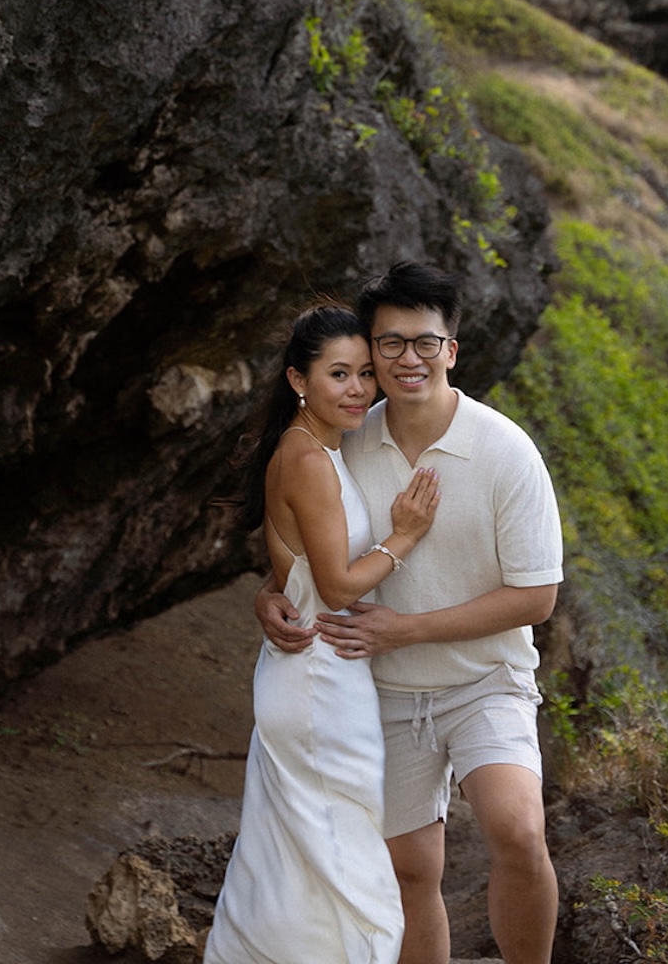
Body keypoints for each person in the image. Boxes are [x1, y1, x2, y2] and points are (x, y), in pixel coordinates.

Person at [257, 262, 563, 964]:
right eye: (389, 344)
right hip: (379, 694)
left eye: (425, 342)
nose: (407, 359)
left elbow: (537, 597)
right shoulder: (344, 438)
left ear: (451, 350)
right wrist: (269, 597)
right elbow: (302, 543)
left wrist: (408, 628)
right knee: (409, 872)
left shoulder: (505, 451)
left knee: (517, 830)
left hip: (486, 680)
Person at [205, 302, 441, 964]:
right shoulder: (307, 458)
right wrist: (405, 536)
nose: (359, 389)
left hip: (320, 673)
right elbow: (335, 585)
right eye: (339, 374)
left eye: (367, 373)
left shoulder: (323, 450)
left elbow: (297, 571)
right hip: (318, 679)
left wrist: (271, 592)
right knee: (344, 867)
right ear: (297, 380)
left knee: (300, 865)